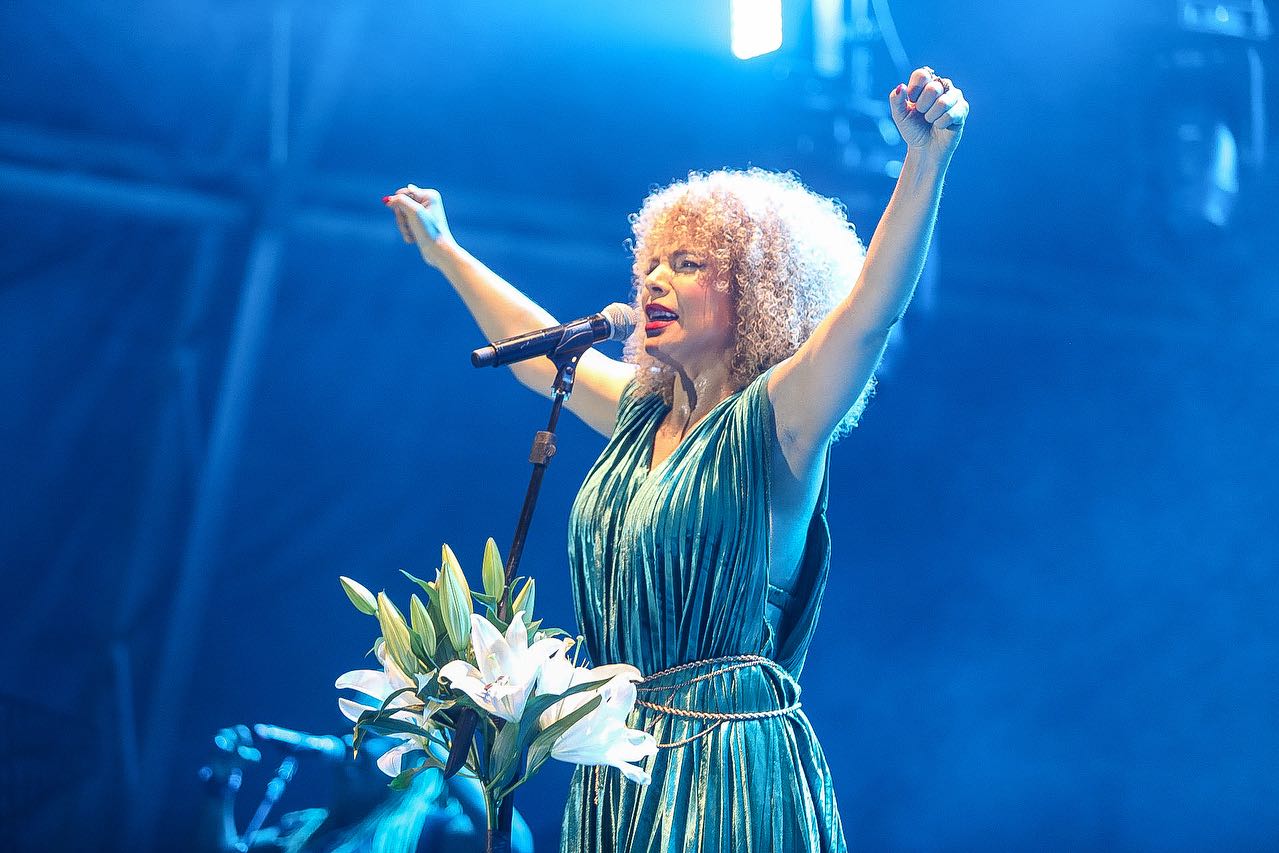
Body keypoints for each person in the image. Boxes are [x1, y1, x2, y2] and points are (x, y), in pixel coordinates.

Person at [384, 66, 968, 853]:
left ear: (758, 289)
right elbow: (537, 353)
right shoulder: (641, 413)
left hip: (724, 767)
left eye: (688, 263)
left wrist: (925, 159)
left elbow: (869, 315)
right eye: (651, 265)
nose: (655, 280)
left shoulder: (779, 418)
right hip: (619, 763)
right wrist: (445, 252)